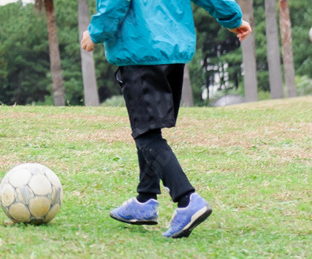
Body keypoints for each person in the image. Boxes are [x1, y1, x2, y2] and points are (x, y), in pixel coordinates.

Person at [81, 0, 252, 238]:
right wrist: (232, 17)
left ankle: (187, 199)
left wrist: (95, 33)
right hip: (174, 51)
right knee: (149, 129)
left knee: (146, 134)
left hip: (141, 50)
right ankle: (145, 200)